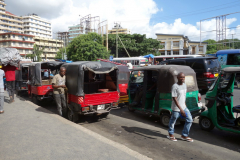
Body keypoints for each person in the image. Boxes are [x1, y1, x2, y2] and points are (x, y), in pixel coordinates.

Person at [167, 72, 193, 142]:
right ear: (177, 78)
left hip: (183, 107)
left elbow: (183, 96)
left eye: (183, 77)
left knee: (190, 120)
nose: (182, 79)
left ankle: (184, 135)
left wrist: (184, 106)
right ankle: (170, 134)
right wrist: (181, 109)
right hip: (176, 108)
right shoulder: (174, 86)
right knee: (173, 120)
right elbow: (175, 98)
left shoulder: (184, 85)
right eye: (181, 77)